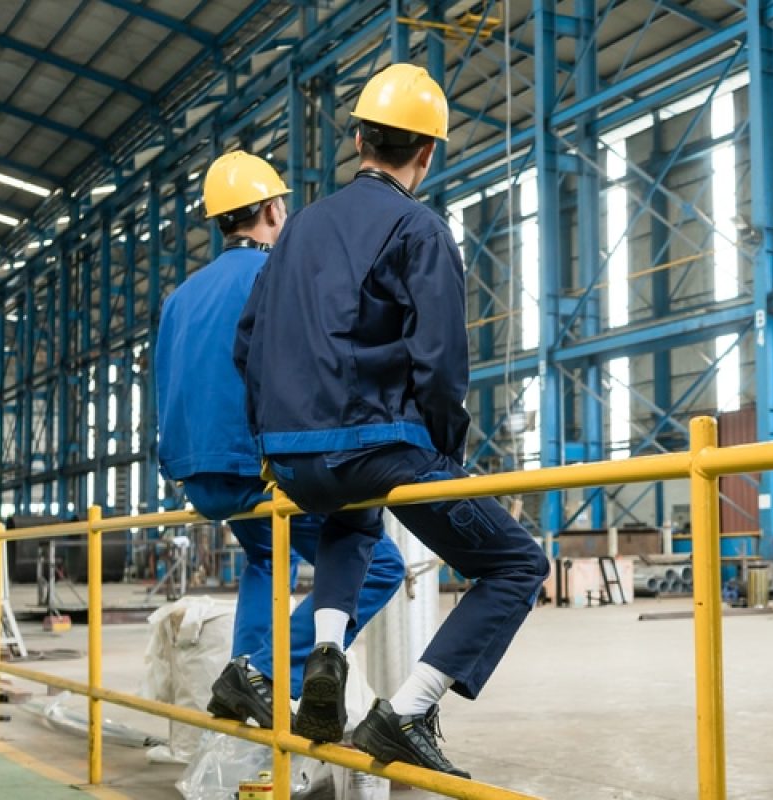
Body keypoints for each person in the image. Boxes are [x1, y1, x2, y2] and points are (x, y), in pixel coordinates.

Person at [234, 64, 549, 778]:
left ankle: (325, 656)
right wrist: (445, 457)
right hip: (377, 450)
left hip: (290, 459)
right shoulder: (418, 228)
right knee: (518, 564)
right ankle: (405, 712)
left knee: (350, 519)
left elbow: (247, 344)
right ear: (428, 153)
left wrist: (271, 444)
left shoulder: (297, 230)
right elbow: (440, 362)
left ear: (357, 140)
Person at [155, 151, 406, 743]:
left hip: (198, 473)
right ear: (272, 209)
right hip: (255, 467)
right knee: (378, 561)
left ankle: (242, 677)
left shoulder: (180, 296)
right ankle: (263, 669)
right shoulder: (277, 276)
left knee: (269, 556)